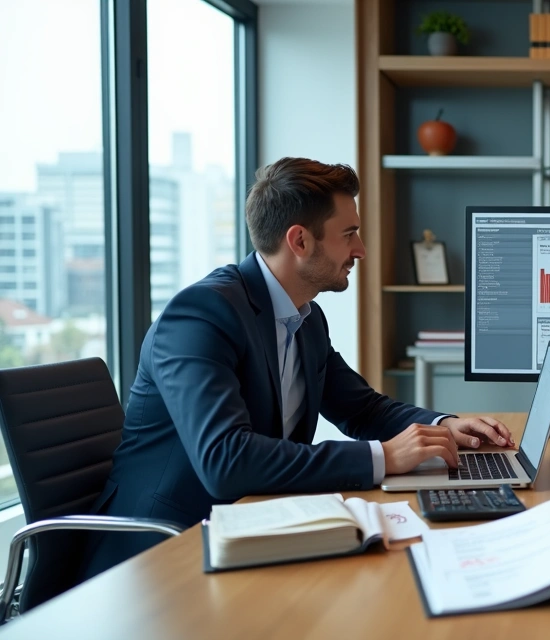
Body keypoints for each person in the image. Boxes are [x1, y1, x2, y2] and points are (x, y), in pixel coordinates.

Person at [83, 157, 513, 577]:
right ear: (300, 241)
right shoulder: (200, 315)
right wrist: (383, 457)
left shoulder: (304, 318)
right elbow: (225, 461)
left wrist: (443, 426)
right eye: (350, 234)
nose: (360, 250)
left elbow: (362, 409)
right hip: (160, 556)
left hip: (248, 529)